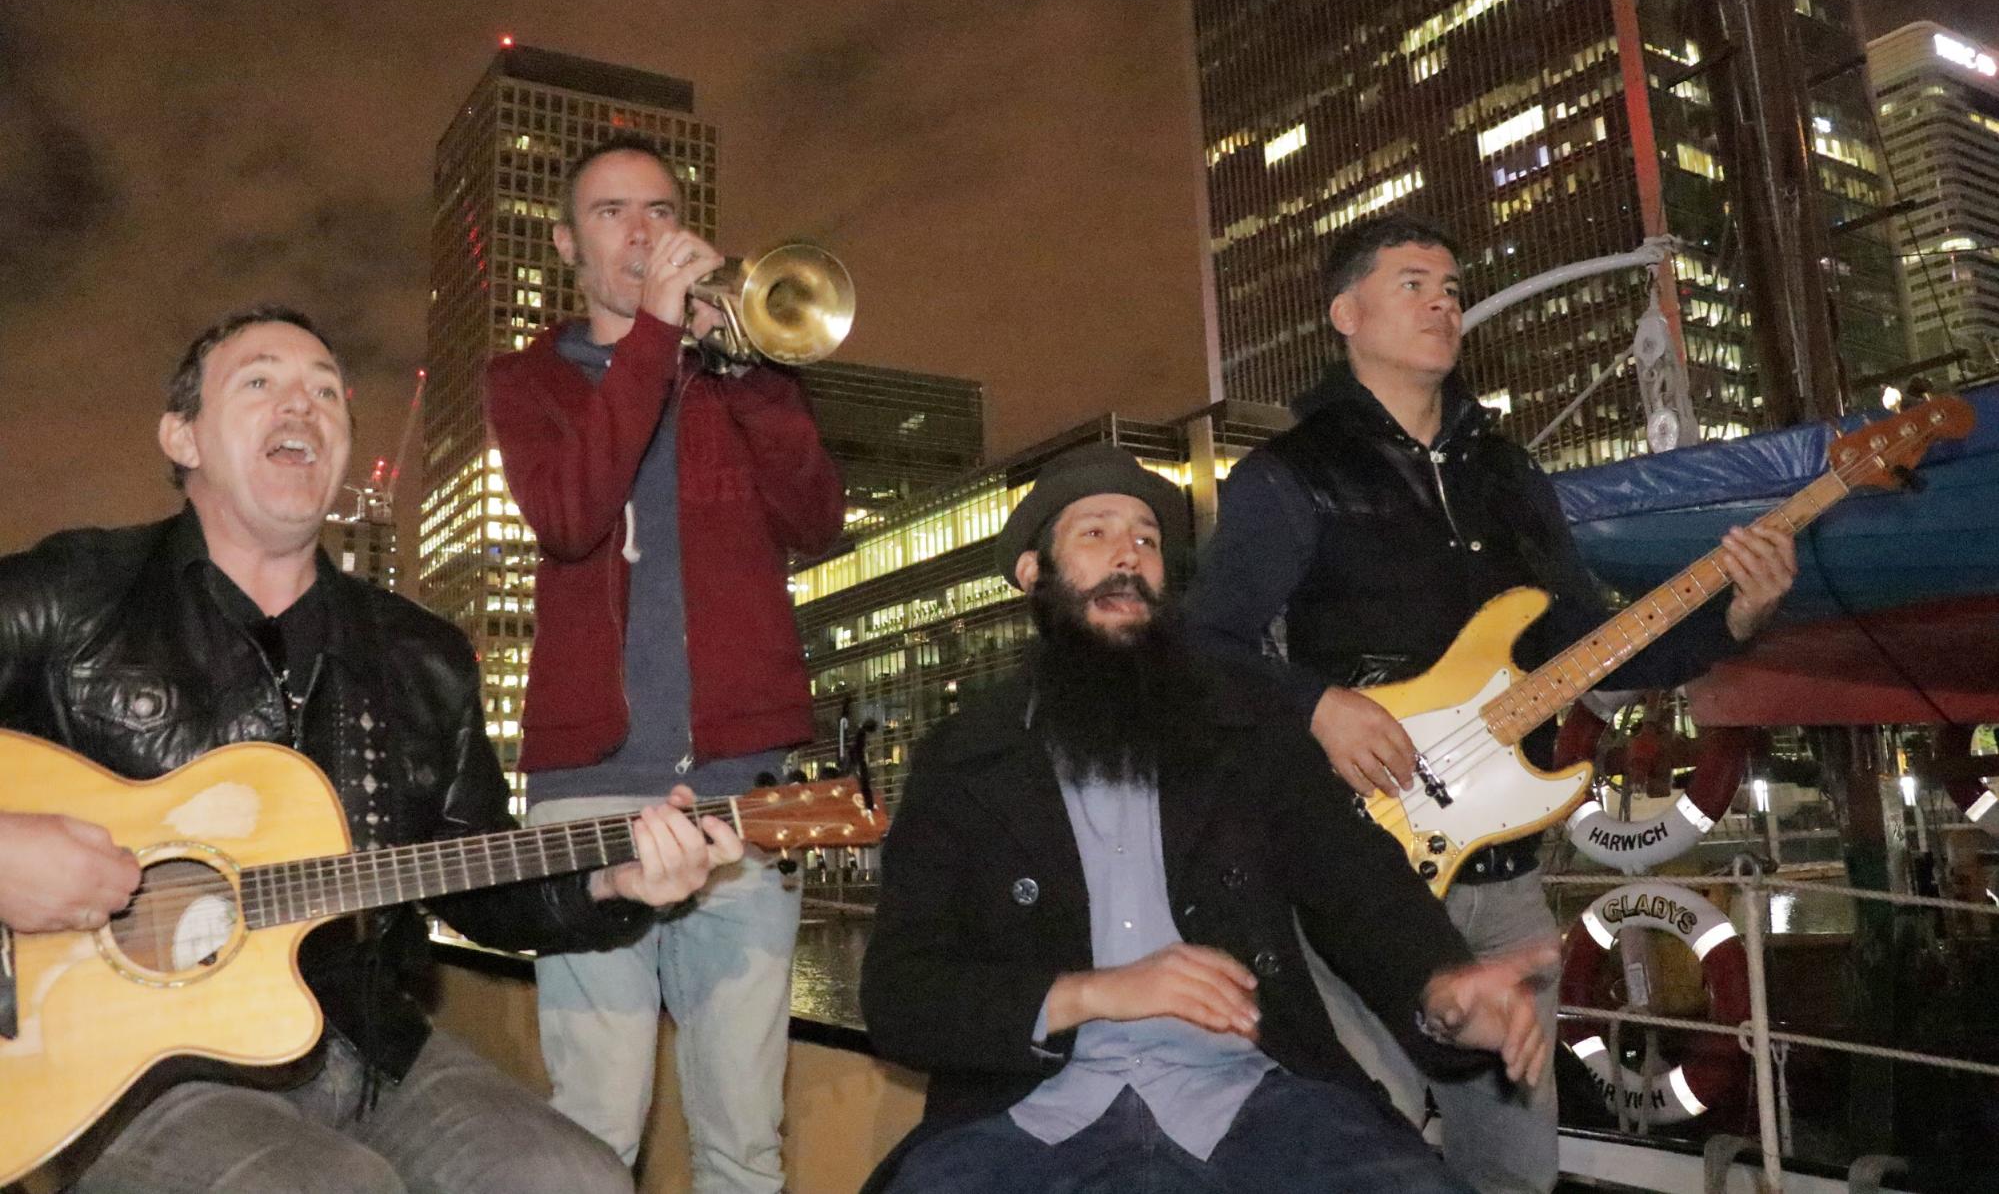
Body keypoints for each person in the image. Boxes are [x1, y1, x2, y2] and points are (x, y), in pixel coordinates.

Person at [0, 305, 741, 1194]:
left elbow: (482, 875)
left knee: (574, 1179)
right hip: (137, 1072)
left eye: (326, 392)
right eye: (260, 381)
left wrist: (613, 884)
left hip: (371, 1041)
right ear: (183, 435)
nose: (302, 406)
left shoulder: (420, 653)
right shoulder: (72, 594)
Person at [1186, 214, 1798, 1193]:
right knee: (1354, 1142)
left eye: (1453, 288)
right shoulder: (1288, 476)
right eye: (1414, 282)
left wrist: (1736, 618)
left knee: (1515, 1160)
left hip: (1503, 868)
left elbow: (1592, 649)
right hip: (1358, 864)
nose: (1443, 302)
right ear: (1345, 313)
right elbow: (1201, 646)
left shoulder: (1509, 479)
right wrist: (1318, 706)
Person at [860, 444, 1557, 1194]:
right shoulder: (963, 759)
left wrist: (1442, 993)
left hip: (1256, 1100)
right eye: (1095, 532)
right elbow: (900, 996)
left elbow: (1361, 891)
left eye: (1147, 539)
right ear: (1035, 573)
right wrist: (1089, 992)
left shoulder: (1248, 734)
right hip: (1025, 1118)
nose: (1128, 553)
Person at [486, 135, 844, 1189]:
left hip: (746, 791)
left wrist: (755, 374)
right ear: (564, 242)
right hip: (589, 791)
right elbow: (566, 514)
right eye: (610, 212)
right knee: (593, 1128)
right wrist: (651, 341)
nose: (642, 230)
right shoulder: (528, 381)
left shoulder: (734, 377)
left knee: (744, 1140)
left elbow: (817, 519)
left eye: (659, 208)